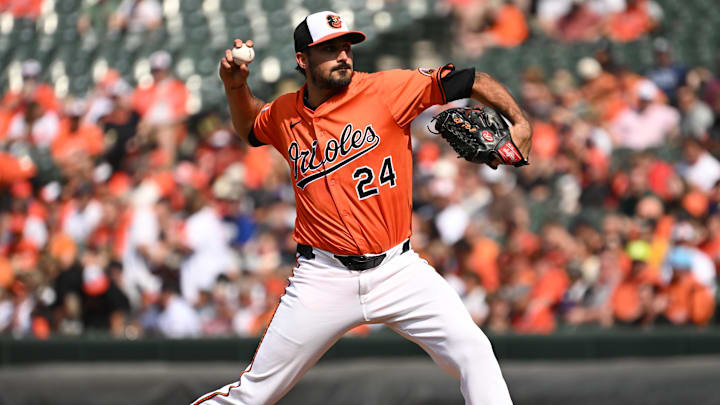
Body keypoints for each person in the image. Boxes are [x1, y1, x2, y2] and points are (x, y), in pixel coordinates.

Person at [194, 10, 532, 405]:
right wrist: (235, 86)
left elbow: (470, 79)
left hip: (398, 271)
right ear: (302, 59)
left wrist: (519, 120)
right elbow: (251, 128)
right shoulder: (286, 113)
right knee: (252, 395)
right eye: (329, 49)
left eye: (346, 46)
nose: (343, 55)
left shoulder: (387, 90)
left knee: (474, 351)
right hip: (322, 278)